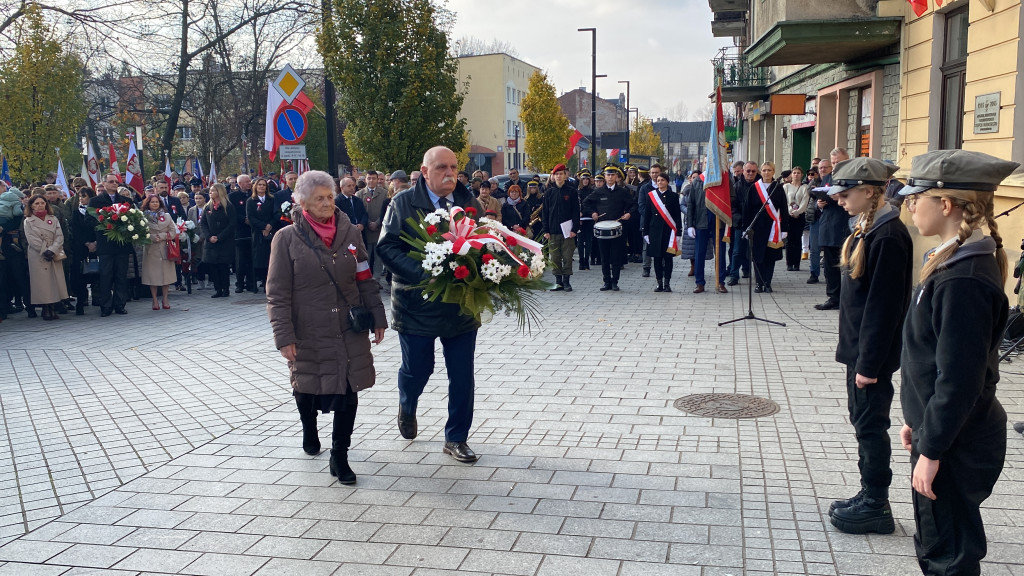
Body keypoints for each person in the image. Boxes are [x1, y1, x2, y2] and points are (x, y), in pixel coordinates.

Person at [897, 149, 1017, 575]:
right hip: (948, 434)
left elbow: (960, 379)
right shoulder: (952, 260)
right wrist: (921, 420)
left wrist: (933, 447)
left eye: (916, 197)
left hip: (958, 443)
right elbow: (936, 362)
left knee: (948, 555)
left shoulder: (962, 278)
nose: (909, 204)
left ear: (945, 204)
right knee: (938, 542)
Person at [266, 170, 387, 485]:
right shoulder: (287, 238)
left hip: (348, 327)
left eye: (330, 197)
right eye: (318, 198)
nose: (326, 203)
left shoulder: (350, 233)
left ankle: (340, 454)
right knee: (306, 387)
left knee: (349, 391)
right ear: (302, 202)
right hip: (308, 329)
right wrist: (284, 337)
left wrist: (377, 315)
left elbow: (364, 276)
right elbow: (277, 294)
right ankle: (309, 428)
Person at [376, 146, 485, 464]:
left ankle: (456, 438)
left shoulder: (468, 202)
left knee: (462, 374)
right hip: (416, 303)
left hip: (460, 305)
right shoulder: (403, 203)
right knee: (418, 369)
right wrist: (426, 274)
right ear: (425, 172)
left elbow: (481, 242)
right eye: (441, 168)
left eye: (453, 167)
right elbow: (387, 247)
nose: (449, 173)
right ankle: (407, 403)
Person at [821, 158, 912, 535]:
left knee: (871, 426)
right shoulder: (868, 227)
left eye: (846, 192)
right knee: (863, 424)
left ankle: (877, 503)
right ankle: (868, 492)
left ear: (870, 191)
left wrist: (868, 366)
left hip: (869, 357)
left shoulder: (887, 235)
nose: (840, 199)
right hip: (859, 351)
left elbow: (883, 308)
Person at [582, 165, 636, 291]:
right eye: (608, 175)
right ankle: (606, 281)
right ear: (605, 177)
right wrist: (593, 213)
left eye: (612, 175)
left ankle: (615, 281)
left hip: (617, 228)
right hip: (602, 228)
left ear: (616, 177)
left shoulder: (622, 192)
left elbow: (633, 204)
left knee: (616, 256)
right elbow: (585, 203)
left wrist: (629, 214)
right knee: (604, 256)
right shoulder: (598, 191)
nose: (610, 177)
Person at [89, 173, 134, 316]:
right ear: (104, 184)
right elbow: (89, 220)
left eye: (116, 182)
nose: (114, 184)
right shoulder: (96, 201)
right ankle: (106, 306)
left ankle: (120, 304)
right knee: (106, 276)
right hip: (105, 244)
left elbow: (133, 218)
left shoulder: (126, 200)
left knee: (121, 275)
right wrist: (105, 223)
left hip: (122, 244)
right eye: (111, 181)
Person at [23, 194, 69, 320]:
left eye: (42, 203)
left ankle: (54, 307)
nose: (40, 205)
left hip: (54, 253)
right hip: (38, 255)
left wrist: (53, 250)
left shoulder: (53, 218)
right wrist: (45, 251)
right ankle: (45, 309)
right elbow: (32, 239)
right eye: (36, 203)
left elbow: (59, 236)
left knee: (55, 281)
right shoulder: (28, 220)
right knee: (42, 283)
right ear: (31, 206)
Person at [743, 162, 786, 293]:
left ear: (773, 172)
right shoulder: (754, 188)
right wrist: (746, 227)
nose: (766, 172)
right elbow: (747, 209)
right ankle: (758, 283)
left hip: (773, 228)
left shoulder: (778, 187)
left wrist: (784, 229)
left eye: (769, 170)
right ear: (761, 172)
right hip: (757, 228)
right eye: (764, 170)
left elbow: (784, 208)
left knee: (770, 256)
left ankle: (768, 282)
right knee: (757, 256)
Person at [814, 158, 848, 309]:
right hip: (828, 227)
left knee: (849, 265)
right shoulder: (827, 179)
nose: (835, 165)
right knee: (830, 266)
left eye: (836, 162)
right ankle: (833, 298)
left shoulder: (849, 177)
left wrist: (839, 197)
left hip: (845, 226)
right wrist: (819, 204)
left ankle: (848, 298)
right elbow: (819, 198)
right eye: (833, 162)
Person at [686, 171, 728, 294]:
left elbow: (731, 198)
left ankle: (720, 281)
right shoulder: (698, 181)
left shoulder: (722, 178)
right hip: (701, 221)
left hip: (718, 220)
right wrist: (690, 224)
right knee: (699, 253)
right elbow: (691, 204)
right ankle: (699, 282)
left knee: (720, 253)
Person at [542, 163, 580, 292]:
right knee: (555, 257)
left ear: (565, 176)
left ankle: (567, 281)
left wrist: (575, 229)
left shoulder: (571, 191)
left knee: (567, 256)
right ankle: (558, 282)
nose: (558, 176)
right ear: (553, 176)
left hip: (567, 231)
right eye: (556, 174)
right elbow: (545, 213)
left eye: (561, 174)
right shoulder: (549, 193)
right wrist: (546, 230)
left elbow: (576, 211)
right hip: (553, 231)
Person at [642, 173, 682, 292]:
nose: (659, 182)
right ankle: (659, 282)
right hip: (654, 231)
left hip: (668, 232)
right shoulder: (651, 196)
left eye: (662, 180)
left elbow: (677, 216)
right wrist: (646, 232)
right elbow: (647, 215)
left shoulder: (673, 196)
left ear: (667, 182)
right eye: (658, 180)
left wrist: (679, 232)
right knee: (657, 258)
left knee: (668, 258)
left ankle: (667, 283)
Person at [140, 194, 178, 310]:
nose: (155, 204)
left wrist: (162, 236)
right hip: (151, 250)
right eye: (152, 202)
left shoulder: (166, 216)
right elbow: (140, 233)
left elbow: (173, 231)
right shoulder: (143, 217)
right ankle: (155, 300)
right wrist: (151, 237)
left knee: (166, 276)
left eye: (157, 202)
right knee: (153, 277)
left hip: (165, 248)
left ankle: (165, 299)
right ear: (148, 204)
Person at [201, 183, 236, 298]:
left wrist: (220, 237)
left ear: (219, 192)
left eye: (213, 191)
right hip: (211, 242)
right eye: (210, 191)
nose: (211, 193)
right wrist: (209, 236)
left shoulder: (228, 206)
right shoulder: (207, 207)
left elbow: (232, 224)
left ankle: (225, 288)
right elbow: (203, 224)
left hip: (224, 241)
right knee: (213, 266)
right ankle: (218, 289)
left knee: (223, 266)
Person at [69, 186, 97, 315]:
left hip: (96, 247)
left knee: (97, 273)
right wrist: (86, 243)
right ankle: (81, 301)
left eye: (84, 196)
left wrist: (95, 243)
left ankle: (99, 299)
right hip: (81, 247)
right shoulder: (76, 213)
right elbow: (75, 231)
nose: (81, 199)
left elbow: (99, 229)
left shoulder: (98, 212)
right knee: (80, 276)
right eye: (80, 196)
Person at [728, 162, 758, 285]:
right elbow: (732, 207)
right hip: (741, 223)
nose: (750, 173)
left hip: (757, 223)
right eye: (748, 171)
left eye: (753, 171)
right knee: (737, 251)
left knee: (753, 251)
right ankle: (734, 275)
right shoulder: (737, 186)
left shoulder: (760, 186)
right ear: (743, 171)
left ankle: (749, 271)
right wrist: (739, 219)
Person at [358, 170, 389, 276]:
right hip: (366, 231)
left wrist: (377, 222)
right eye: (369, 178)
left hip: (379, 230)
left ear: (377, 179)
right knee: (366, 256)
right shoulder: (360, 194)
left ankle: (377, 279)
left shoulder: (384, 193)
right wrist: (367, 223)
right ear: (365, 179)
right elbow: (360, 213)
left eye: (373, 178)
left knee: (378, 257)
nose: (371, 180)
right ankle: (366, 279)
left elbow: (387, 212)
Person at [246, 177, 275, 290]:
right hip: (258, 233)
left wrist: (269, 226)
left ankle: (269, 282)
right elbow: (251, 218)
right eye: (259, 185)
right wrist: (263, 227)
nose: (261, 187)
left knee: (270, 258)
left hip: (271, 231)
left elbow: (275, 214)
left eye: (263, 185)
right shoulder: (250, 201)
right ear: (255, 187)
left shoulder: (271, 199)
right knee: (260, 259)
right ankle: (260, 281)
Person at [784, 166, 809, 271]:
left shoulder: (805, 187)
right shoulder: (786, 187)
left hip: (800, 216)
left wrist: (798, 212)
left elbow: (805, 202)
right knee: (789, 240)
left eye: (798, 173)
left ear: (801, 175)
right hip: (788, 216)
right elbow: (784, 200)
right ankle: (789, 263)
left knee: (797, 239)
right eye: (794, 173)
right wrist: (791, 211)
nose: (796, 175)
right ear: (791, 174)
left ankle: (796, 264)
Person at [187, 192, 207, 290]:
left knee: (207, 260)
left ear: (204, 199)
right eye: (196, 198)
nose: (198, 200)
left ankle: (211, 280)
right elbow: (189, 223)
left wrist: (203, 236)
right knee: (198, 260)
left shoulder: (208, 208)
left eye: (200, 198)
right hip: (195, 238)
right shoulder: (191, 210)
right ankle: (200, 281)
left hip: (206, 238)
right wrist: (194, 237)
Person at [576, 170, 595, 270]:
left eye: (587, 179)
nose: (585, 181)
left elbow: (591, 205)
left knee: (588, 241)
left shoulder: (592, 192)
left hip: (588, 218)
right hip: (579, 219)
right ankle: (581, 260)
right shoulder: (577, 191)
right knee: (580, 242)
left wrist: (584, 212)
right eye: (583, 179)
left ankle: (586, 260)